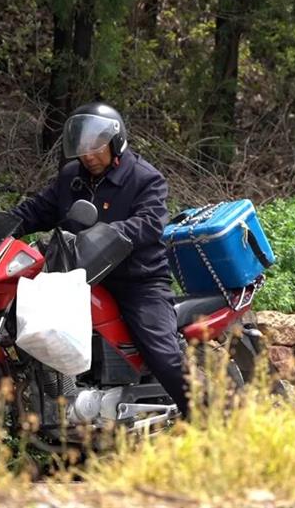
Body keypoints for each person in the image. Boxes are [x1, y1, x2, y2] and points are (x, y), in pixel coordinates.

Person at [10, 102, 190, 418]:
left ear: (115, 142)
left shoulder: (144, 178)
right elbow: (36, 211)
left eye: (96, 148)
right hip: (78, 277)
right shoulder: (72, 178)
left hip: (136, 280)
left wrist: (111, 234)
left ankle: (206, 420)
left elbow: (151, 222)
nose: (88, 156)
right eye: (82, 149)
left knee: (162, 353)